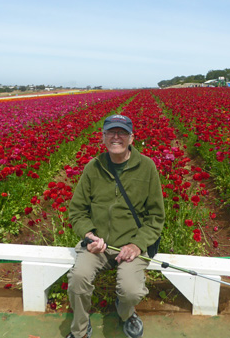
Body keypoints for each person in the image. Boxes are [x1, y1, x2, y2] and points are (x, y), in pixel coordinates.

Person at [66, 114, 165, 338]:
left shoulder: (147, 167)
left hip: (130, 246)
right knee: (78, 279)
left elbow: (156, 216)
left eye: (122, 132)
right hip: (98, 246)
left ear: (132, 138)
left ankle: (126, 313)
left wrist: (138, 244)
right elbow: (77, 211)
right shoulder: (94, 167)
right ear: (103, 137)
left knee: (131, 291)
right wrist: (89, 236)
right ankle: (80, 329)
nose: (116, 137)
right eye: (111, 132)